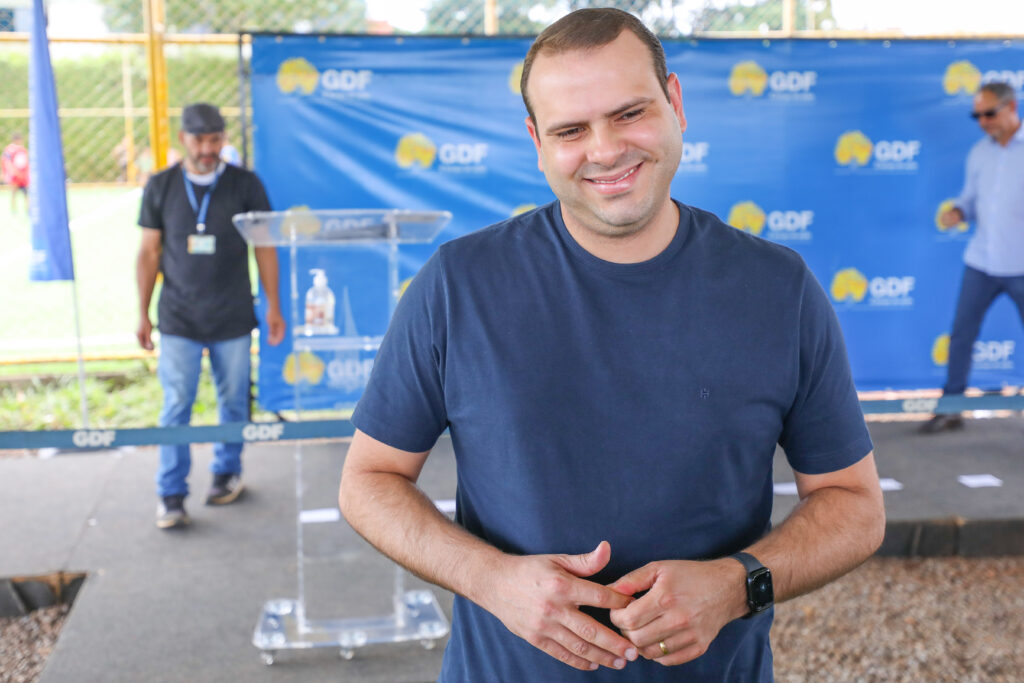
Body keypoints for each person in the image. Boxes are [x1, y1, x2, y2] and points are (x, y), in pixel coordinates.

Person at [339, 9, 885, 681]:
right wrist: (489, 578)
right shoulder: (459, 285)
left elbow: (854, 506)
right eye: (571, 129)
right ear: (538, 142)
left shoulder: (779, 288)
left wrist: (738, 583)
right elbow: (368, 480)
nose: (604, 150)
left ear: (675, 103)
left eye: (629, 113)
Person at [136, 102, 286, 530]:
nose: (207, 148)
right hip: (178, 318)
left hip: (234, 316)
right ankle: (171, 492)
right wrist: (142, 313)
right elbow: (148, 252)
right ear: (183, 138)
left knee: (234, 400)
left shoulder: (245, 184)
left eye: (215, 139)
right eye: (200, 139)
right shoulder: (161, 185)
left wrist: (273, 305)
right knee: (176, 404)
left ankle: (226, 472)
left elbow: (265, 247)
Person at [923, 82, 1024, 433]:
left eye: (988, 113)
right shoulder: (979, 153)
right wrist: (957, 211)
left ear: (1012, 107)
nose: (982, 121)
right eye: (976, 115)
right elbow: (969, 199)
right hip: (982, 261)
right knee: (962, 335)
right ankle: (951, 407)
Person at [2, 132, 29, 215]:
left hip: (23, 174)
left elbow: (26, 162)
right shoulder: (9, 150)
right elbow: (6, 161)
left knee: (26, 192)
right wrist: (10, 172)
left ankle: (27, 209)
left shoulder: (22, 150)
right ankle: (14, 209)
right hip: (15, 175)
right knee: (14, 192)